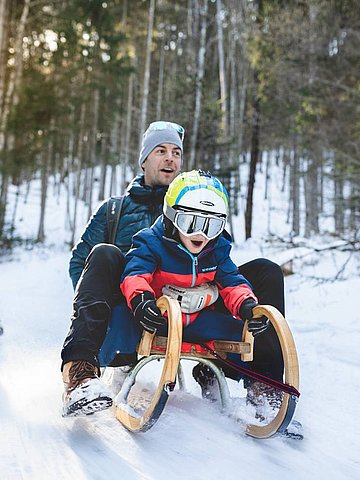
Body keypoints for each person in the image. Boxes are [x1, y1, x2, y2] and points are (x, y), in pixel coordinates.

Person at [104, 170, 285, 419]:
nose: (201, 233)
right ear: (172, 218)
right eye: (191, 223)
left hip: (199, 319)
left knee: (256, 311)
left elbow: (232, 281)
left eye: (212, 226)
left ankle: (263, 388)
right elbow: (135, 273)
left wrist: (246, 306)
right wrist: (141, 301)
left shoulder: (216, 249)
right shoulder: (151, 241)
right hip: (160, 318)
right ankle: (107, 365)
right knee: (120, 312)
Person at [61, 120, 184, 416]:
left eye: (177, 153)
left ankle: (261, 387)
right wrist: (96, 303)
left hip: (175, 305)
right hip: (122, 303)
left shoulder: (189, 210)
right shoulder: (113, 211)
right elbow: (80, 262)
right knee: (104, 253)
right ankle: (79, 377)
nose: (170, 158)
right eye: (161, 150)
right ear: (144, 160)